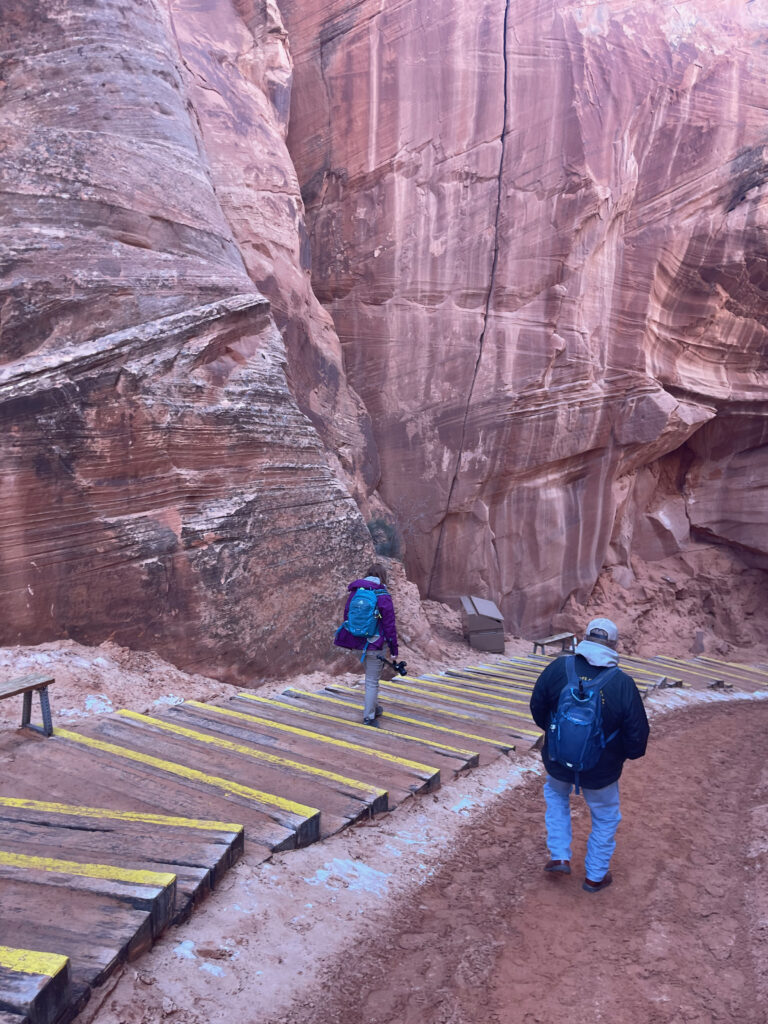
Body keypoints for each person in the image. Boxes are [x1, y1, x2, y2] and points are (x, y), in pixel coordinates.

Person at [529, 617, 650, 893]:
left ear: (584, 638)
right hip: (601, 769)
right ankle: (595, 876)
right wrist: (621, 755)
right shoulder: (623, 684)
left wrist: (556, 736)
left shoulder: (559, 667)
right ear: (614, 645)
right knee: (605, 816)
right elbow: (637, 739)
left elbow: (537, 707)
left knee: (556, 796)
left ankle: (560, 855)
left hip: (558, 760)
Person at [333, 563, 399, 726]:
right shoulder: (382, 595)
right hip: (375, 645)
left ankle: (374, 707)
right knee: (371, 681)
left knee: (370, 678)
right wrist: (394, 649)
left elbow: (347, 616)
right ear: (383, 576)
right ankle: (369, 717)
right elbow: (389, 625)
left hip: (357, 644)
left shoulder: (356, 591)